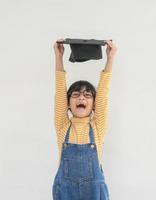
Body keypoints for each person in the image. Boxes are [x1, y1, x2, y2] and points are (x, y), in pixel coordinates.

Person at [52, 38, 117, 200]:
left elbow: (103, 94)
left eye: (87, 95)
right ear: (68, 104)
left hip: (94, 192)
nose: (81, 97)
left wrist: (111, 58)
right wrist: (58, 57)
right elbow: (60, 92)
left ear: (94, 105)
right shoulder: (63, 125)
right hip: (66, 191)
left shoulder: (97, 126)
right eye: (76, 95)